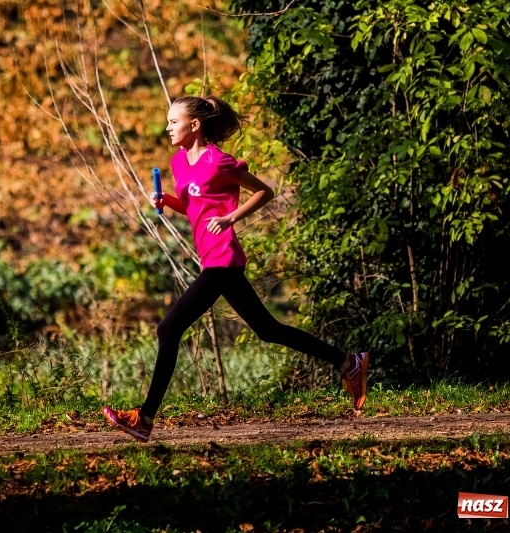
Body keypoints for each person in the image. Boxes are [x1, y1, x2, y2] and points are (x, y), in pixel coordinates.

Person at [102, 95, 368, 442]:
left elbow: (264, 192)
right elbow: (194, 204)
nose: (167, 127)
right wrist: (167, 200)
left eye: (172, 121)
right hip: (213, 260)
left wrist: (231, 217)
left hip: (222, 259)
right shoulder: (179, 162)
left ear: (194, 125)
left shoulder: (219, 162)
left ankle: (144, 418)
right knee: (269, 330)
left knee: (168, 329)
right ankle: (349, 363)